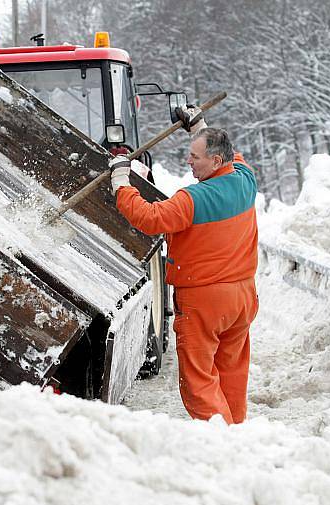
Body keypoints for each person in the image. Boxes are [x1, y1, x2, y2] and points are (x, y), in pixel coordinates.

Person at [108, 106, 259, 424]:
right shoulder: (245, 179)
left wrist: (121, 181)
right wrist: (199, 127)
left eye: (195, 157)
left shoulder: (191, 199)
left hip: (204, 300)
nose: (188, 161)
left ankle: (219, 439)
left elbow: (149, 218)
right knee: (231, 369)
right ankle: (238, 434)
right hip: (243, 298)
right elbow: (235, 157)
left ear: (215, 161)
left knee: (199, 380)